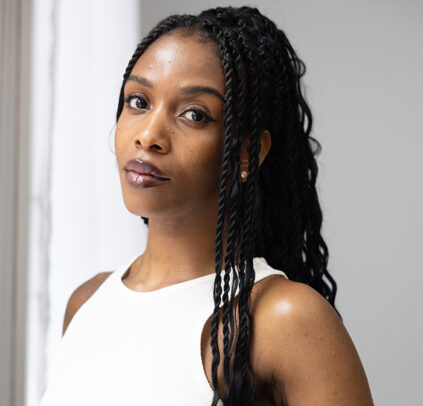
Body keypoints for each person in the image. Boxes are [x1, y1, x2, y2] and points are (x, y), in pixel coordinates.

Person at [40, 6, 374, 406]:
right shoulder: (85, 303)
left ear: (248, 152)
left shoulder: (282, 319)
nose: (148, 135)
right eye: (139, 101)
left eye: (194, 114)